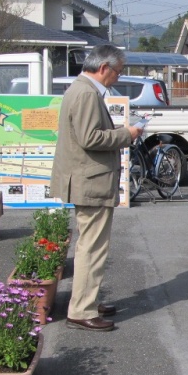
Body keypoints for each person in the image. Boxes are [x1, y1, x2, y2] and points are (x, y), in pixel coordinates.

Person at [50, 45, 142, 332]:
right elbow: (90, 138)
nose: (118, 77)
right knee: (92, 248)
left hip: (85, 178)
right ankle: (82, 310)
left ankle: (86, 301)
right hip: (91, 181)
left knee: (89, 246)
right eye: (118, 72)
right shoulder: (87, 93)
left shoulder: (79, 89)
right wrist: (127, 134)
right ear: (104, 68)